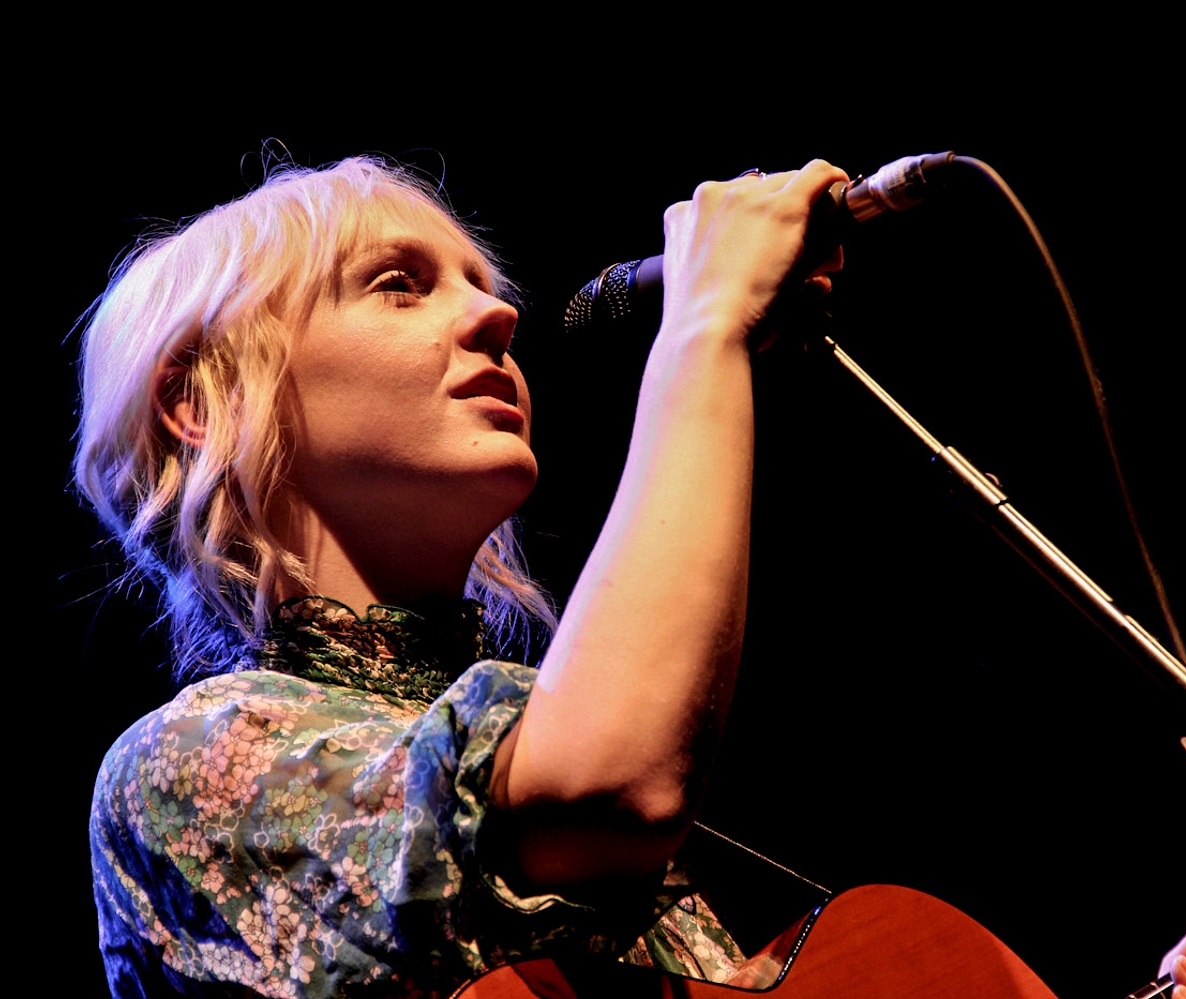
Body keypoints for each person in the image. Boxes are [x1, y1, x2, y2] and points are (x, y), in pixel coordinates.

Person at [79, 154, 846, 997]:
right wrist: (701, 329)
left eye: (482, 285)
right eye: (400, 284)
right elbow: (600, 788)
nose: (497, 314)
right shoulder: (185, 765)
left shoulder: (535, 729)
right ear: (201, 399)